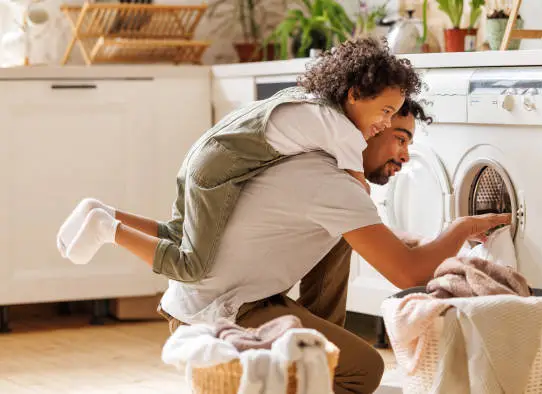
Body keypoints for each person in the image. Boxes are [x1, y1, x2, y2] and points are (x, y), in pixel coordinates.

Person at [155, 98, 509, 394]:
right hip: (221, 312)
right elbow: (409, 273)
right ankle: (313, 373)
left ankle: (314, 360)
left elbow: (375, 238)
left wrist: (437, 241)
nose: (405, 155)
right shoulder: (332, 185)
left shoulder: (320, 167)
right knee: (364, 370)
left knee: (342, 240)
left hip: (225, 298)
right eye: (399, 139)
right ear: (371, 129)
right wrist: (462, 227)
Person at [55, 37, 423, 283]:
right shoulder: (342, 132)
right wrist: (395, 242)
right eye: (386, 112)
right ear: (356, 94)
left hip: (203, 157)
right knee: (192, 267)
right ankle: (107, 229)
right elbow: (358, 200)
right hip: (218, 171)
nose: (385, 124)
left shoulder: (314, 102)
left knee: (177, 234)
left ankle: (103, 210)